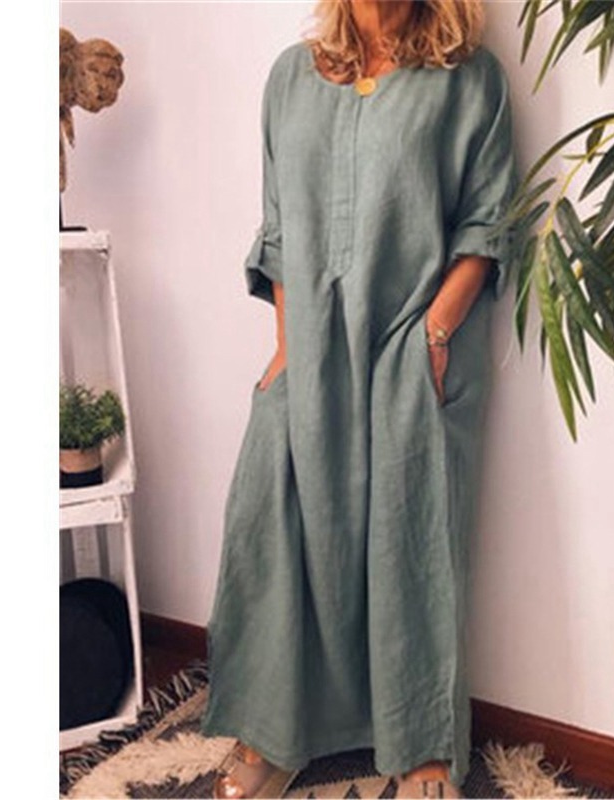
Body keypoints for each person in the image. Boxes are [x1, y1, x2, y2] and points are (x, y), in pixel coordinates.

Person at [200, 1, 518, 797]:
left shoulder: (468, 80)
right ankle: (275, 731)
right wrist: (287, 346)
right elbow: (278, 231)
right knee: (277, 521)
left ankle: (422, 745)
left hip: (413, 341)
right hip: (309, 342)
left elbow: (486, 225)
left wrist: (435, 336)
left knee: (413, 532)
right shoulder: (291, 78)